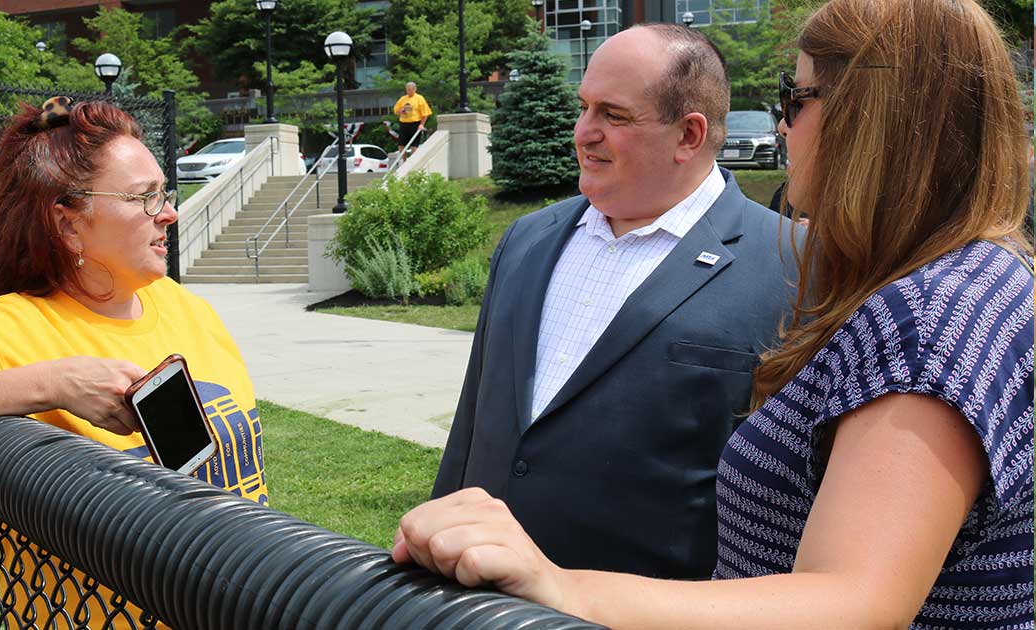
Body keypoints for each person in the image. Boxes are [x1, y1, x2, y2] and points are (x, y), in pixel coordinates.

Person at [396, 0, 1034, 627]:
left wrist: (565, 589)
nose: (782, 126)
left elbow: (857, 602)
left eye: (795, 98)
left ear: (869, 119)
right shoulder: (962, 284)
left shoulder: (930, 311)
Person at [0, 98, 268, 623]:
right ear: (67, 224)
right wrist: (51, 382)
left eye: (165, 193)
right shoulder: (4, 328)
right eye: (143, 198)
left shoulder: (186, 306)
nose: (169, 213)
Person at [429, 24, 799, 580]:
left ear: (688, 136)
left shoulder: (792, 266)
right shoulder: (527, 240)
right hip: (482, 603)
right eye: (583, 108)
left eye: (613, 115)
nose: (583, 133)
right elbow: (473, 424)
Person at [393, 82, 432, 157]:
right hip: (404, 123)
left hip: (415, 123)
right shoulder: (403, 99)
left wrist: (421, 124)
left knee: (414, 145)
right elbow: (396, 110)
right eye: (407, 90)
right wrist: (401, 111)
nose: (409, 91)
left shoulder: (419, 98)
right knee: (401, 145)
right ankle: (403, 161)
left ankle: (413, 161)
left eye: (411, 90)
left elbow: (425, 113)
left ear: (415, 89)